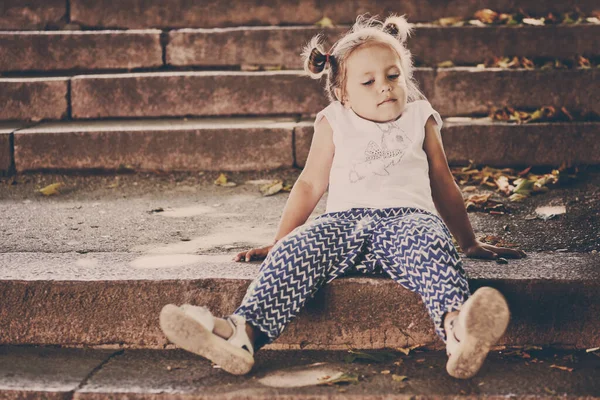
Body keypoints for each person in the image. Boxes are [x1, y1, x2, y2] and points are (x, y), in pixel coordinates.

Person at [159, 13, 527, 379]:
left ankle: (459, 330)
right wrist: (280, 240)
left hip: (408, 220)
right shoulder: (335, 120)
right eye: (368, 81)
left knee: (431, 246)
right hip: (341, 222)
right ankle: (240, 334)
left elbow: (443, 182)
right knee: (294, 252)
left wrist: (468, 241)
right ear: (343, 93)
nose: (385, 87)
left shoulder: (420, 117)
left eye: (393, 76)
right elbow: (309, 185)